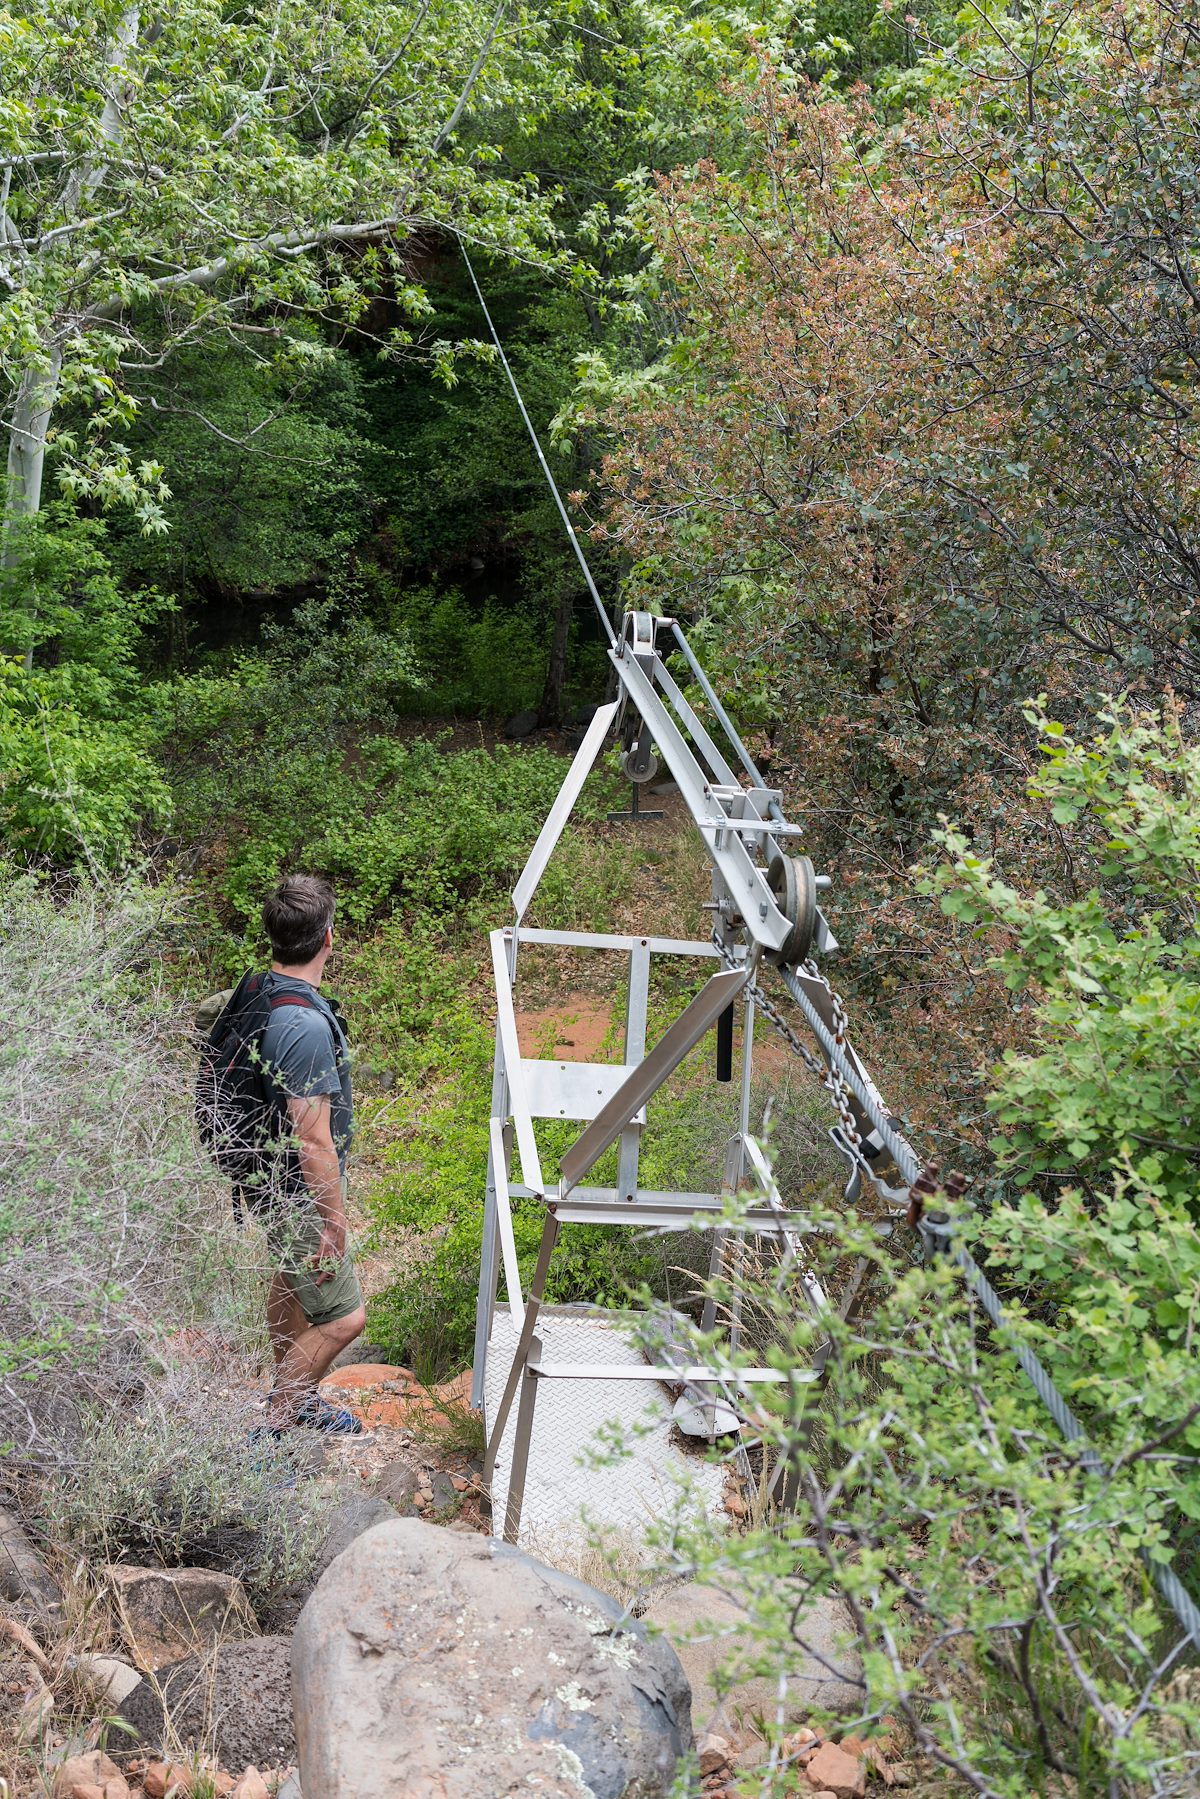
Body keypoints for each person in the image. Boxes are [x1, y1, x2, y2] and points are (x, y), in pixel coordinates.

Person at [254, 873, 366, 1438]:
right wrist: (334, 1220)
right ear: (328, 937)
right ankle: (273, 1430)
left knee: (291, 1282)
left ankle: (295, 1394)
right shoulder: (302, 1024)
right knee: (345, 1318)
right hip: (297, 1188)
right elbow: (312, 1138)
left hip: (266, 1177)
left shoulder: (263, 993)